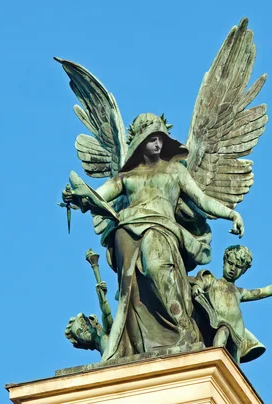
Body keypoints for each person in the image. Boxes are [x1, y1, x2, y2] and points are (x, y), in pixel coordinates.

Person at [62, 112, 245, 361]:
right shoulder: (127, 177)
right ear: (140, 142)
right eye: (152, 139)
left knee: (159, 269)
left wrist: (230, 214)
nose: (158, 144)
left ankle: (184, 332)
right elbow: (99, 195)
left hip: (162, 230)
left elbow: (202, 200)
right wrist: (76, 196)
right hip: (127, 230)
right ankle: (141, 343)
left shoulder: (175, 172)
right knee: (133, 292)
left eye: (161, 139)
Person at [190, 245, 272, 362]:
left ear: (244, 270)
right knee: (222, 334)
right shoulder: (211, 279)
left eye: (238, 267)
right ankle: (213, 363)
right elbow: (199, 283)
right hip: (215, 322)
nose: (233, 269)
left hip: (236, 328)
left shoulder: (239, 291)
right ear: (224, 262)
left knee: (234, 358)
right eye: (230, 263)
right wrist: (196, 287)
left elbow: (265, 291)